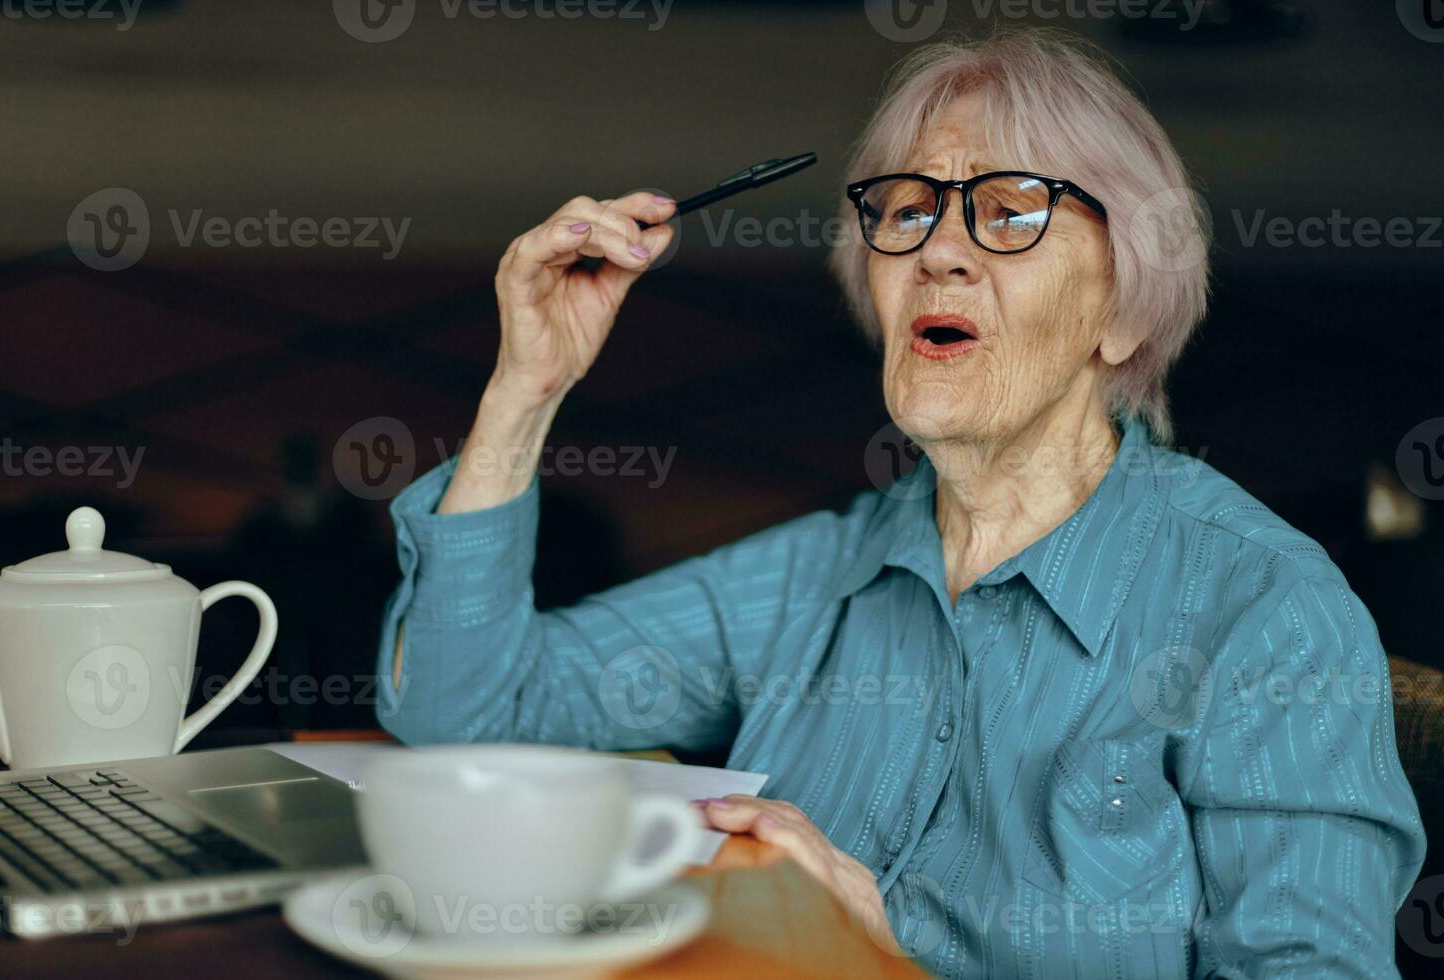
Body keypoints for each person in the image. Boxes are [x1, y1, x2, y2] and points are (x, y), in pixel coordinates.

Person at [375, 29, 1424, 977]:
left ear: (1122, 311)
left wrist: (885, 960)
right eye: (908, 208)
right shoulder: (817, 574)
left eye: (1010, 211)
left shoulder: (1265, 610)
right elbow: (470, 712)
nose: (938, 250)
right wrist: (527, 386)